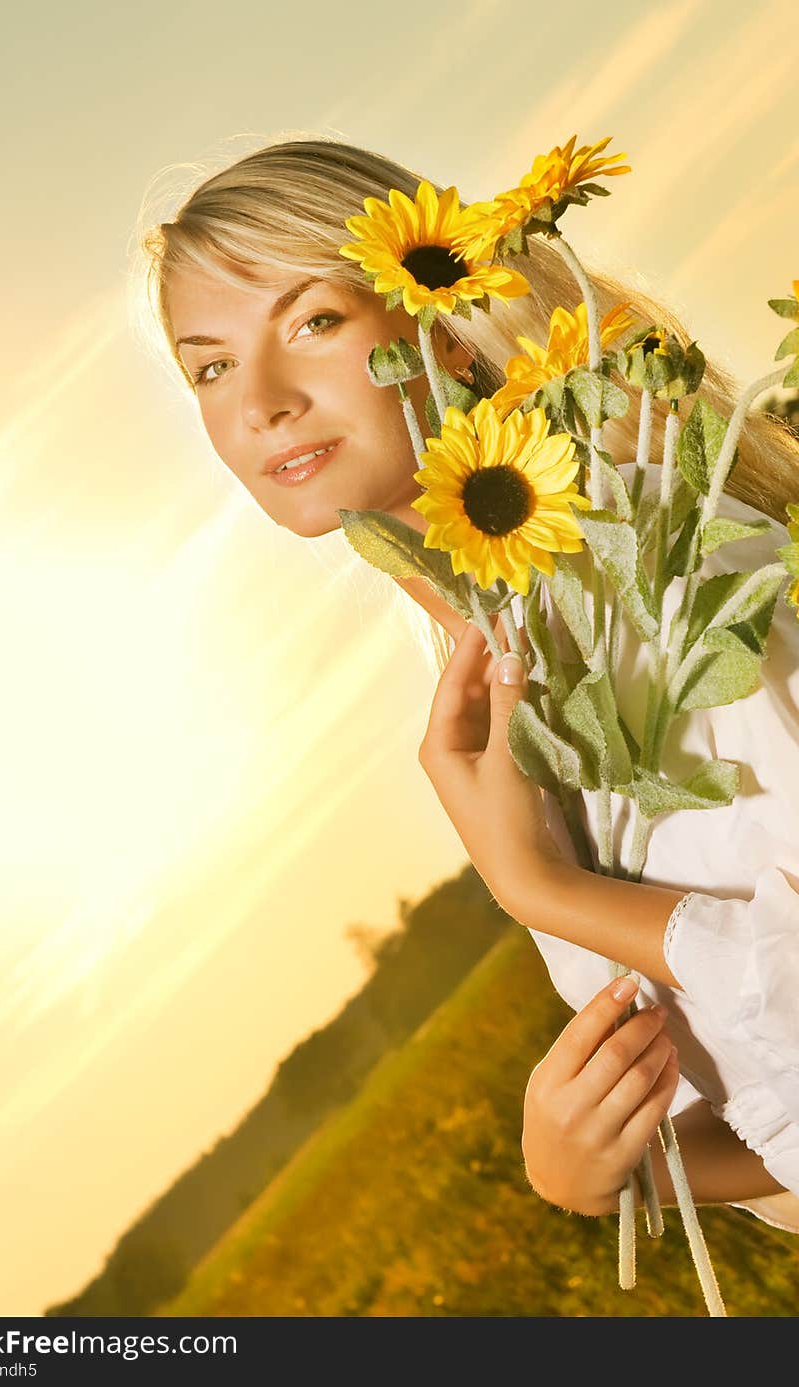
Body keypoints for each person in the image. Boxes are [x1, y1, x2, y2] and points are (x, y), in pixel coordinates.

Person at [135, 135, 799, 1233]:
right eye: (208, 366)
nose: (258, 400)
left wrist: (541, 888)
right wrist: (607, 1169)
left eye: (312, 322)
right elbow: (768, 1084)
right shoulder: (488, 696)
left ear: (441, 314)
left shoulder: (670, 577)